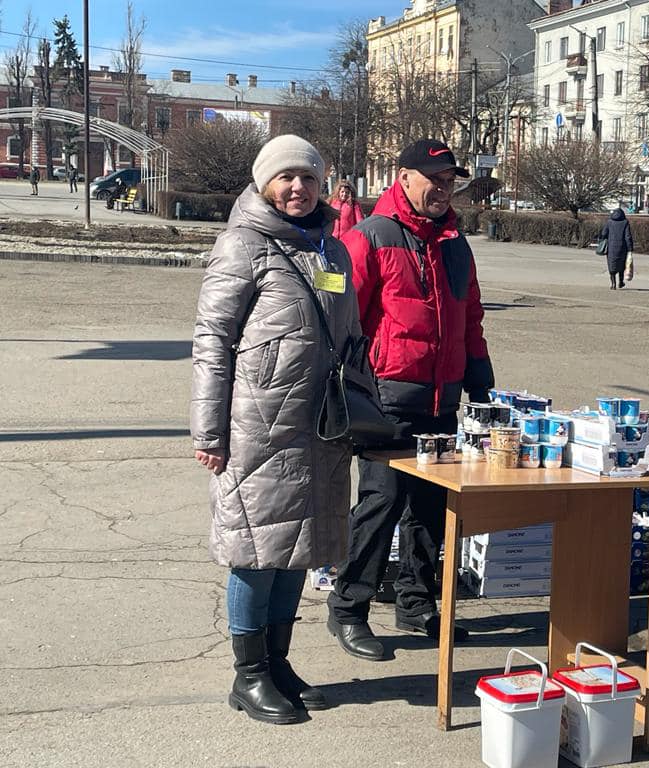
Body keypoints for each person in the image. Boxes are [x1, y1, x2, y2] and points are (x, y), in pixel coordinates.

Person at [191, 134, 361, 724]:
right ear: (265, 182)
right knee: (255, 553)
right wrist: (208, 431)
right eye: (286, 177)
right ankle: (249, 675)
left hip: (322, 426)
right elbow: (212, 341)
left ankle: (279, 661)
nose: (298, 188)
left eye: (309, 178)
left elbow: (351, 341)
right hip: (259, 427)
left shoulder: (331, 252)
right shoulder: (242, 245)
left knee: (298, 549)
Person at [326, 138, 494, 661]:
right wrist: (344, 382)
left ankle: (417, 602)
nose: (443, 190)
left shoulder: (455, 244)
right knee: (381, 502)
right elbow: (336, 311)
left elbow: (470, 319)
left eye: (450, 182)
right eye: (433, 180)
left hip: (442, 403)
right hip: (386, 400)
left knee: (430, 508)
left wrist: (482, 382)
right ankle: (348, 607)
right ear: (403, 177)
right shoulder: (369, 237)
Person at [600, 208, 634, 290]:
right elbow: (628, 236)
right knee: (621, 266)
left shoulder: (609, 222)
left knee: (612, 265)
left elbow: (604, 233)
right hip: (622, 247)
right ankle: (621, 282)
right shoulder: (625, 222)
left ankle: (613, 284)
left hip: (611, 247)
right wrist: (630, 248)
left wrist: (602, 238)